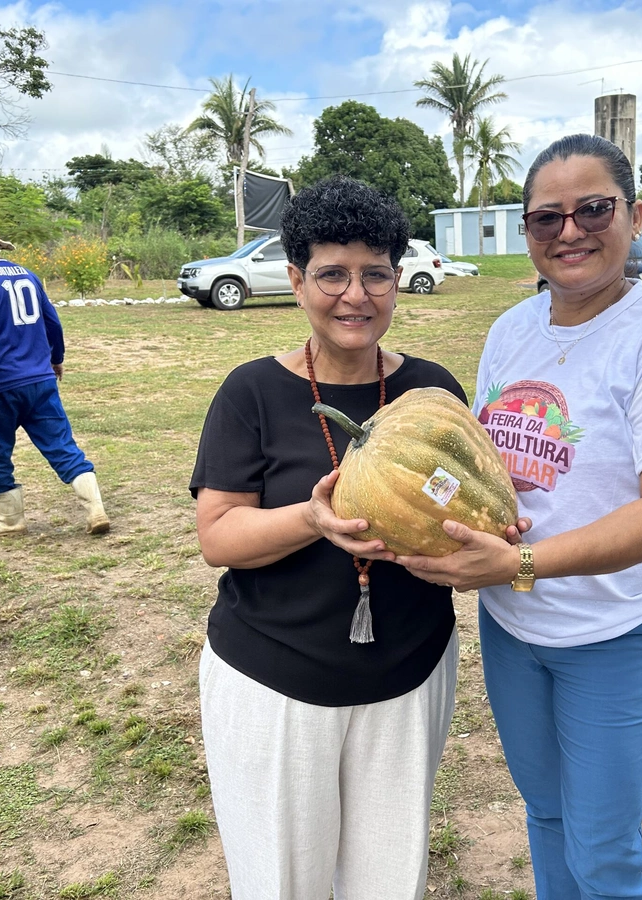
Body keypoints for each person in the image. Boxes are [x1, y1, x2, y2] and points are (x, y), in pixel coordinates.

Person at [398, 134, 642, 899]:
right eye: (546, 218)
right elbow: (486, 465)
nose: (570, 232)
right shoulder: (510, 330)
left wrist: (517, 564)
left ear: (635, 214)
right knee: (545, 815)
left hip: (611, 631)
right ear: (526, 233)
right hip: (514, 628)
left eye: (593, 209)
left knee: (604, 849)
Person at [191, 176, 467, 899]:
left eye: (375, 273)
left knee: (388, 881)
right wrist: (311, 520)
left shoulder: (431, 391)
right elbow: (218, 536)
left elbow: (461, 513)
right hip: (273, 685)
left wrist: (484, 544)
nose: (356, 295)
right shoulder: (251, 392)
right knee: (284, 884)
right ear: (295, 279)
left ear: (398, 278)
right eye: (332, 274)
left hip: (410, 677)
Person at [0, 213, 108, 538]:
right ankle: (95, 508)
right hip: (40, 380)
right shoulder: (27, 274)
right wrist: (56, 359)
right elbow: (52, 321)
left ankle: (10, 520)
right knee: (61, 445)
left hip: (0, 387)